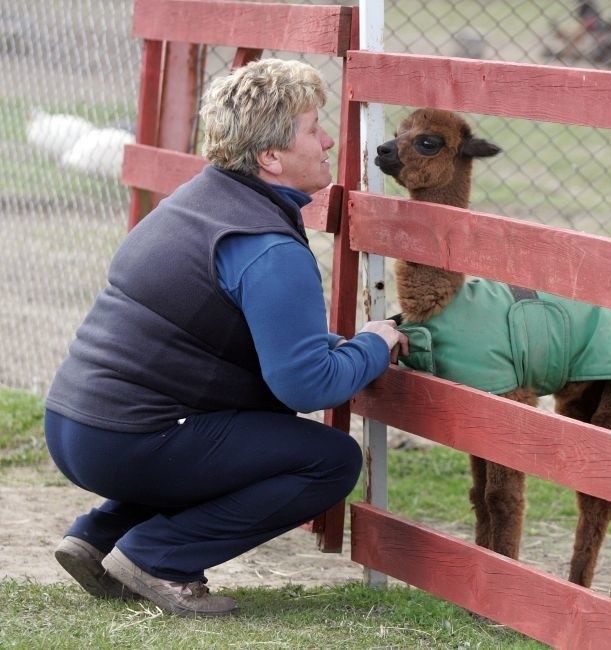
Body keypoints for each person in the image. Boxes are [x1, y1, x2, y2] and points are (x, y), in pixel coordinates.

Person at [44, 58, 408, 618]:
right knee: (329, 460)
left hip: (77, 425)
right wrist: (374, 344)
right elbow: (305, 385)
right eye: (314, 129)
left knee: (230, 436)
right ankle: (160, 556)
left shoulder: (196, 202)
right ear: (271, 157)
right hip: (129, 442)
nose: (329, 139)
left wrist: (334, 344)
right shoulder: (268, 247)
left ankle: (99, 536)